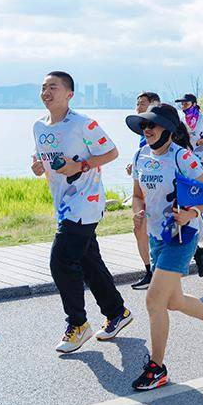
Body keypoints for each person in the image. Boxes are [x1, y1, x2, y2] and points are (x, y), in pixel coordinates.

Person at [126, 103, 203, 390]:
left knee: (153, 300)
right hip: (156, 236)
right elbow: (138, 195)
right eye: (144, 124)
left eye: (153, 124)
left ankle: (157, 368)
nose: (147, 129)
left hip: (182, 237)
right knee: (172, 301)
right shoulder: (140, 155)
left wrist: (192, 213)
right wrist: (137, 211)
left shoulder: (182, 157)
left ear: (169, 129)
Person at [31, 71, 132, 354]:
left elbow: (111, 152)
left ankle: (78, 324)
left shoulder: (84, 124)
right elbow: (41, 157)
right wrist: (38, 166)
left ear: (69, 94)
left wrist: (81, 166)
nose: (46, 92)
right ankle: (117, 312)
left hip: (85, 202)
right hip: (62, 203)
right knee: (89, 262)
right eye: (43, 88)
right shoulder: (39, 127)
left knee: (61, 261)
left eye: (53, 87)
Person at [173, 93, 203, 277]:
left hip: (197, 159)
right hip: (184, 159)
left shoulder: (200, 118)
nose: (183, 106)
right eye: (181, 103)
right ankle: (196, 252)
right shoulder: (182, 119)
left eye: (186, 103)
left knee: (184, 222)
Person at [129, 91, 161, 290]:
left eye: (142, 104)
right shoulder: (142, 142)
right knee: (139, 229)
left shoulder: (170, 139)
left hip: (164, 199)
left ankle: (196, 250)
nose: (138, 107)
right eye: (137, 104)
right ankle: (149, 271)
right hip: (144, 194)